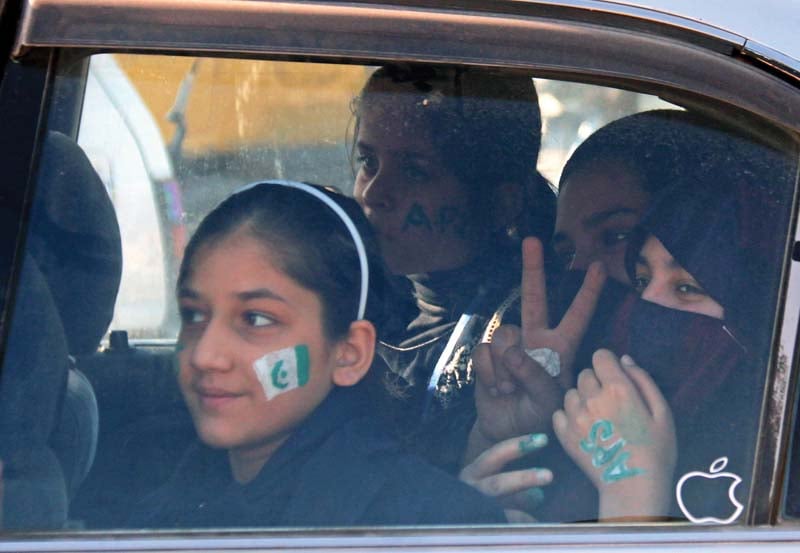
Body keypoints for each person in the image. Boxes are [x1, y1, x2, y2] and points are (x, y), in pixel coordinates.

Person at [129, 180, 508, 528]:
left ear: (349, 353)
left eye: (256, 319)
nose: (205, 355)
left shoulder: (427, 526)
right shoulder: (159, 509)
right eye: (194, 315)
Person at [553, 135, 794, 521]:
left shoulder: (783, 460)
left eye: (687, 288)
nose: (646, 307)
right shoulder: (600, 420)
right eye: (641, 280)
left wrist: (632, 499)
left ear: (754, 306)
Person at [350, 63, 560, 474]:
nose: (375, 193)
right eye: (368, 161)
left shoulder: (514, 345)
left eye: (414, 171)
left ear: (500, 202)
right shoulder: (349, 298)